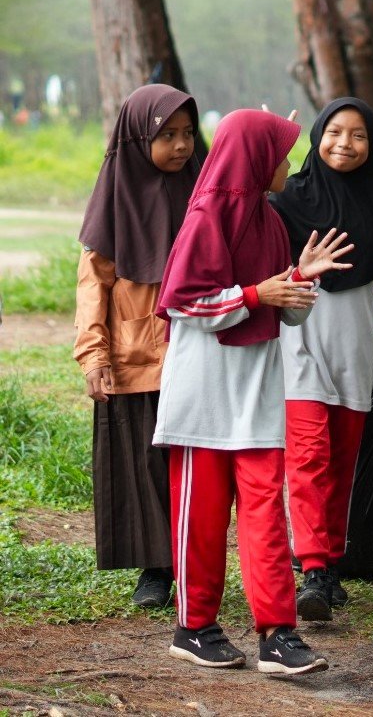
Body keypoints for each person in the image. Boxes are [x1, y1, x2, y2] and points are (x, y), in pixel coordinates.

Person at [154, 109, 352, 676]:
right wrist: (259, 293)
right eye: (282, 152)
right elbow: (184, 301)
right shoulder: (205, 215)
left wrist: (296, 282)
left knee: (267, 512)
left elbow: (274, 307)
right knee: (202, 515)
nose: (290, 164)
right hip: (205, 394)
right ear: (256, 159)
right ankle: (194, 627)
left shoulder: (269, 220)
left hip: (258, 390)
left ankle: (278, 635)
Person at [74, 84, 206, 609]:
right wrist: (94, 356)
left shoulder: (203, 193)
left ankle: (185, 563)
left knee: (188, 467)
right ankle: (154, 571)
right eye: (166, 135)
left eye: (188, 134)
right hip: (133, 360)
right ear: (136, 139)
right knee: (142, 466)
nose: (180, 146)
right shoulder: (114, 200)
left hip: (195, 355)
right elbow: (92, 288)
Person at [270, 98, 373, 622]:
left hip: (353, 349)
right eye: (335, 132)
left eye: (358, 136)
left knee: (343, 459)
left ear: (372, 147)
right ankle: (315, 569)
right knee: (307, 457)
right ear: (317, 135)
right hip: (298, 346)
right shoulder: (285, 203)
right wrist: (301, 274)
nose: (344, 144)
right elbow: (270, 281)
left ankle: (332, 561)